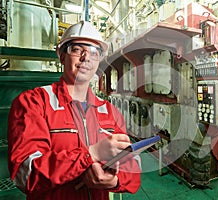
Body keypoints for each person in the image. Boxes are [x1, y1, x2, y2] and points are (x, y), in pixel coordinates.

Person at [7, 21, 141, 200]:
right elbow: (26, 174)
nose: (86, 57)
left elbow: (133, 166)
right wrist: (91, 154)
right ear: (62, 56)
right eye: (77, 49)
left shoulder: (109, 111)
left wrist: (115, 180)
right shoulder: (34, 103)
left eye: (94, 52)